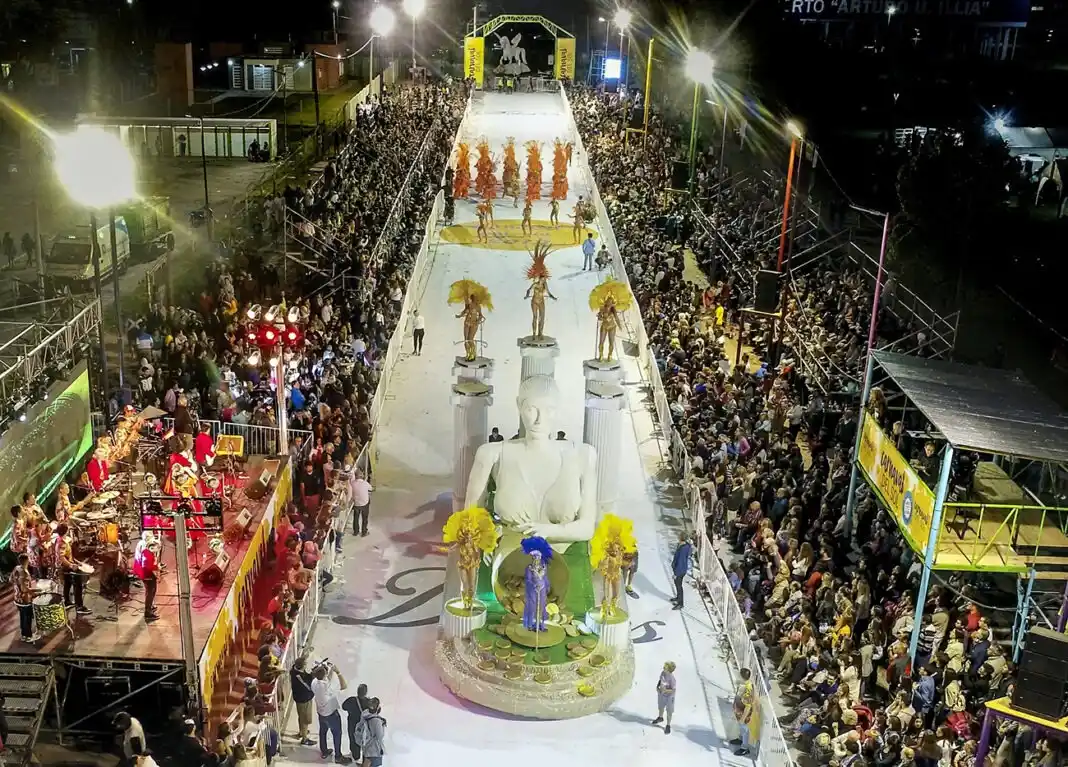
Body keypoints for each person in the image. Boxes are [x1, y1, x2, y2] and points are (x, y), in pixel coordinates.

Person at [310, 662, 350, 763]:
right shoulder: (328, 689)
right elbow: (344, 686)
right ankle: (338, 756)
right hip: (331, 714)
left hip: (321, 712)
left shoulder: (314, 682)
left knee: (323, 732)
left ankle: (324, 751)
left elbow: (327, 679)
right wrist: (338, 672)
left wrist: (330, 671)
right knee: (337, 734)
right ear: (324, 675)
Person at [131, 532, 159, 622]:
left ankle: (150, 606)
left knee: (150, 590)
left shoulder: (140, 543)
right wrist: (157, 567)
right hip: (146, 573)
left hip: (141, 571)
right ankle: (148, 612)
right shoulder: (146, 550)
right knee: (150, 591)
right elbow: (146, 565)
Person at [342, 683, 371, 763]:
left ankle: (355, 755)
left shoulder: (351, 700)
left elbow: (343, 707)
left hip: (352, 724)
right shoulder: (368, 702)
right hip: (363, 725)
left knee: (353, 739)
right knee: (363, 740)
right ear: (365, 693)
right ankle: (364, 758)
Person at [291, 656, 317, 746]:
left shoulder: (294, 670)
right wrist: (313, 676)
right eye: (305, 663)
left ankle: (302, 732)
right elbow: (308, 687)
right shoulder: (299, 677)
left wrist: (311, 674)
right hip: (304, 699)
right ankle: (305, 739)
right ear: (302, 666)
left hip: (299, 698)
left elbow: (306, 677)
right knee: (305, 719)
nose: (306, 665)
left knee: (301, 716)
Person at [13, 554, 39, 643]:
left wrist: (17, 586)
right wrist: (36, 590)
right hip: (25, 599)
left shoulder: (16, 568)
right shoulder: (23, 572)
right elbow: (24, 589)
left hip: (17, 597)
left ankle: (24, 635)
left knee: (22, 616)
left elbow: (10, 579)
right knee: (27, 617)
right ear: (26, 561)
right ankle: (28, 636)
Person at [354, 697, 386, 767]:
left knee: (366, 758)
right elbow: (380, 736)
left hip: (365, 742)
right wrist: (382, 725)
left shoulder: (364, 713)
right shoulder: (376, 721)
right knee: (372, 761)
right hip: (373, 747)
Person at [730, 667, 755, 756]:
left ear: (741, 676)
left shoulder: (748, 688)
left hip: (744, 712)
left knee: (744, 729)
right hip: (739, 709)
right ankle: (740, 739)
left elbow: (748, 705)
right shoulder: (744, 684)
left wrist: (743, 717)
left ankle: (744, 748)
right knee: (741, 727)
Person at [652, 660, 677, 734]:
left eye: (665, 667)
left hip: (669, 697)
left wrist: (665, 690)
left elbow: (673, 690)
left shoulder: (672, 679)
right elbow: (660, 680)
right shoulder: (663, 673)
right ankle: (660, 717)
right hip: (661, 694)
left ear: (669, 670)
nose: (663, 668)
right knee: (660, 707)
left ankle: (668, 725)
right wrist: (658, 686)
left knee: (669, 711)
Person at [670, 531, 692, 610]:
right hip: (681, 569)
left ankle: (680, 603)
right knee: (677, 584)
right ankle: (678, 598)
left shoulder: (683, 549)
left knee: (679, 586)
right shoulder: (683, 545)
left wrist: (676, 573)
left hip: (680, 570)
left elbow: (680, 561)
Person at [351, 470, 373, 537]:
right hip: (364, 503)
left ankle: (356, 531)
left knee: (356, 517)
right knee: (364, 518)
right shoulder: (365, 483)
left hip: (356, 503)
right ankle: (364, 532)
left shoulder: (352, 483)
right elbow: (371, 489)